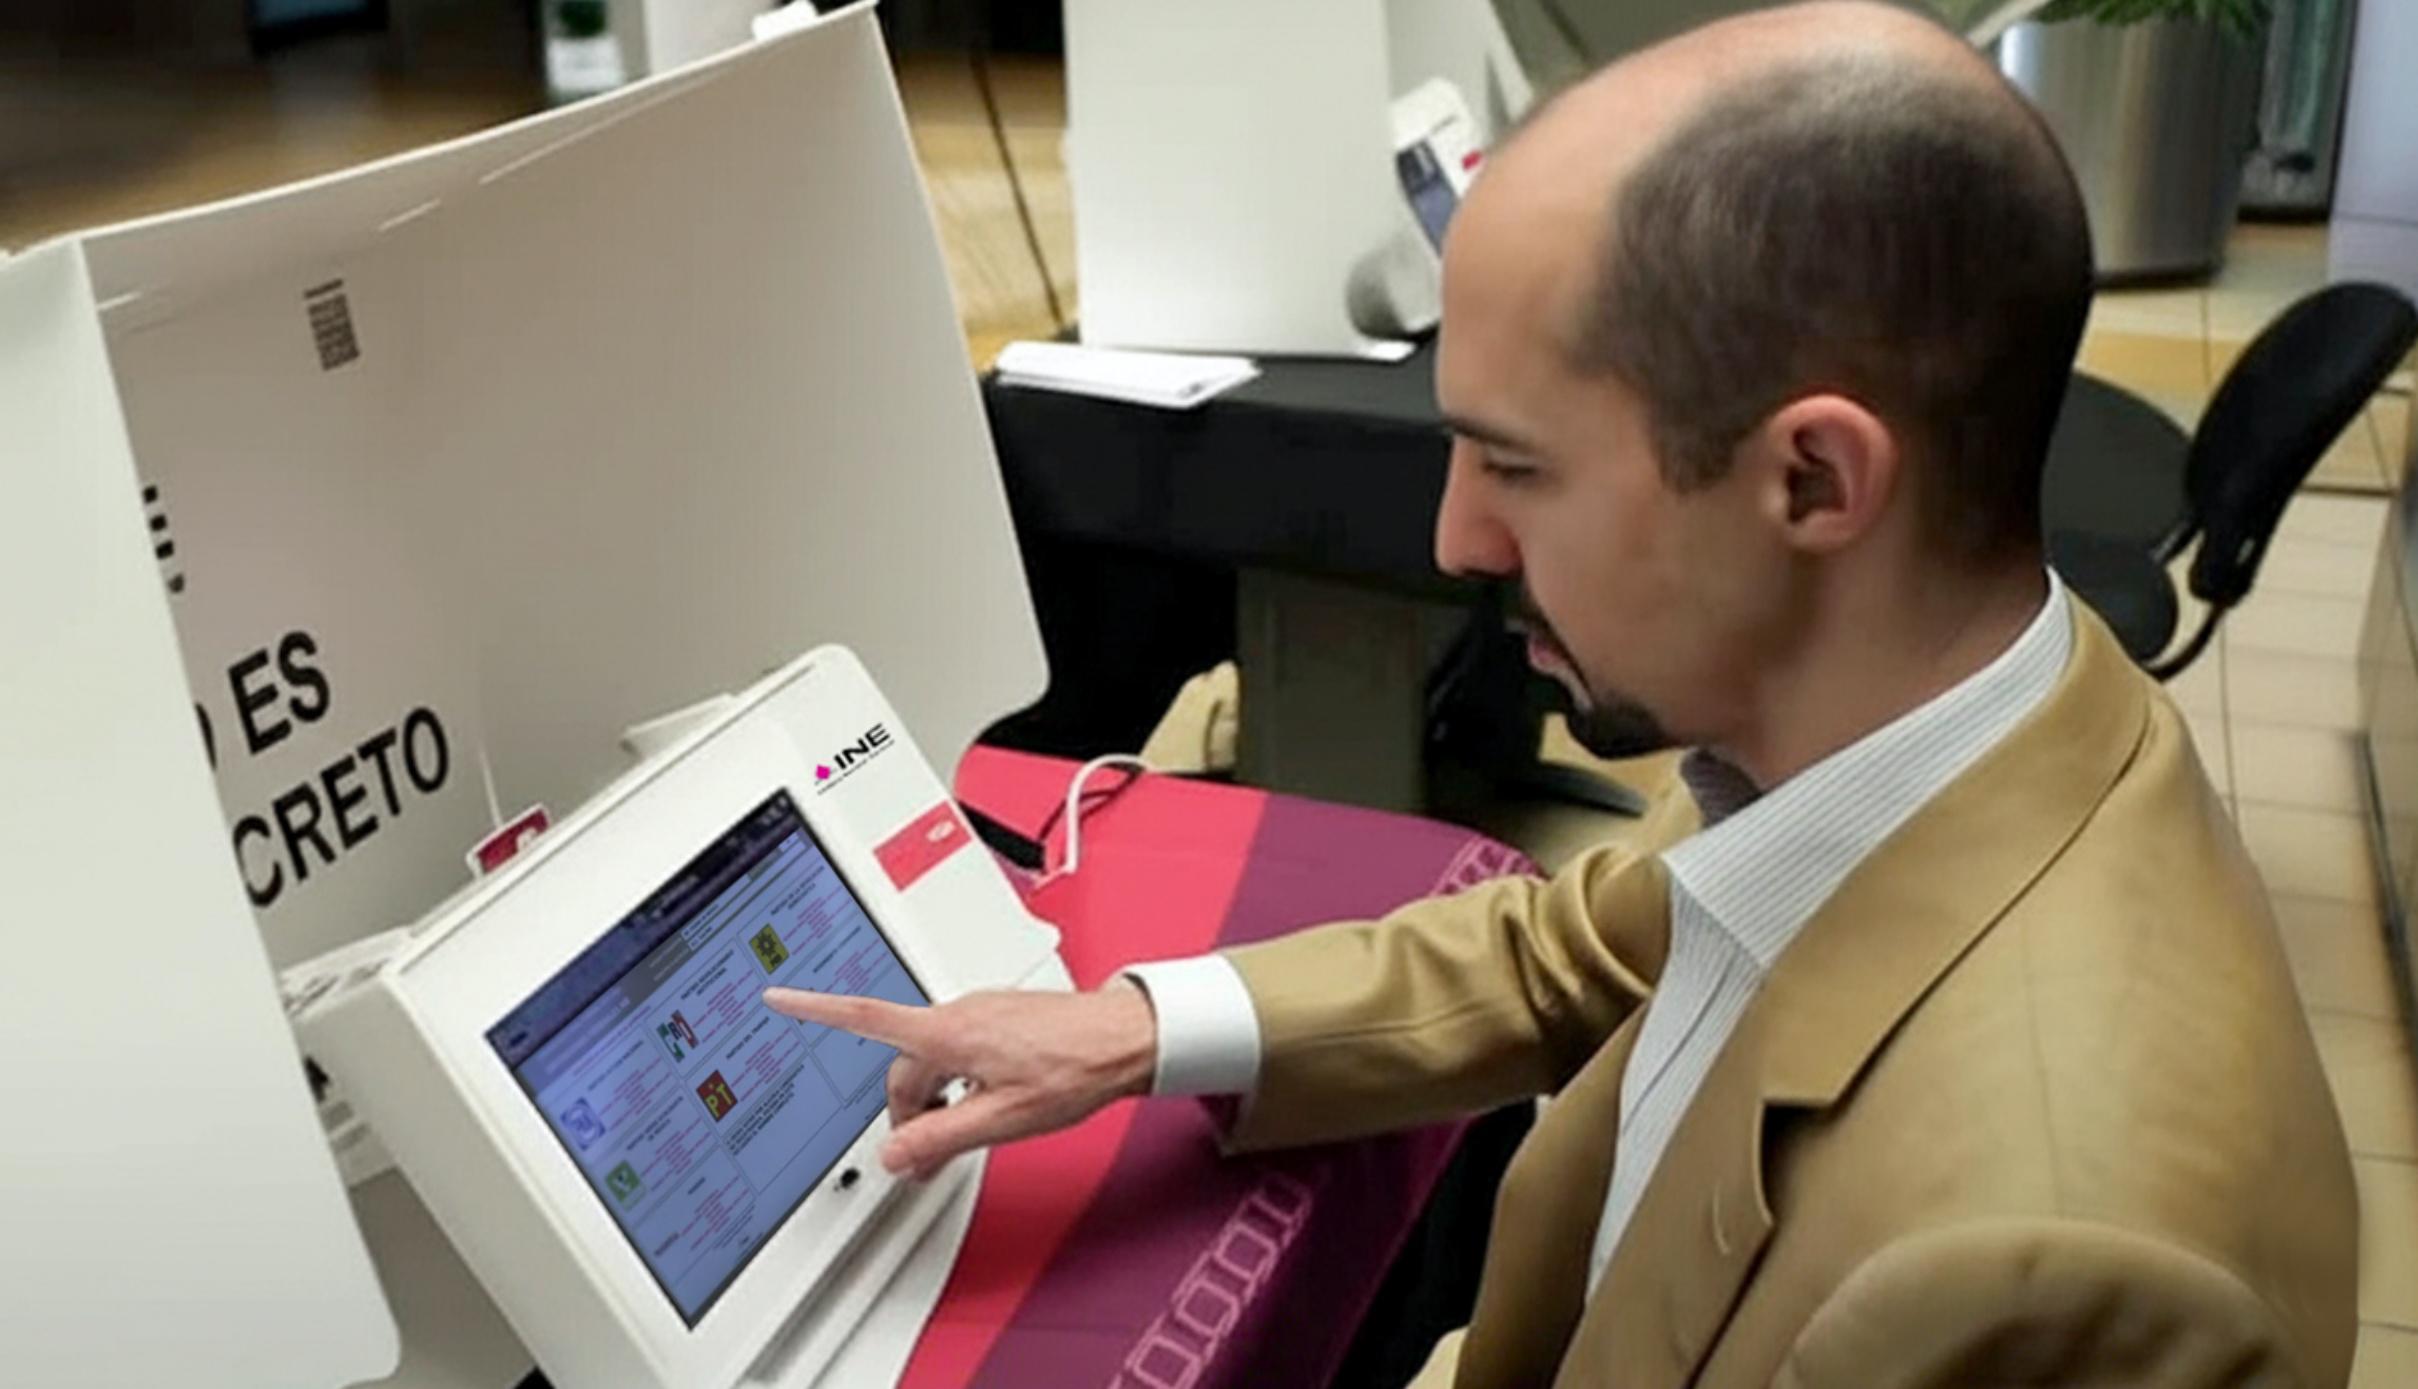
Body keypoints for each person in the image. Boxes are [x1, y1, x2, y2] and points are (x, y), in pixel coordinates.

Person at [770, 4, 2360, 1385]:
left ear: (1812, 479)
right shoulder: (1921, 720)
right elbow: (1586, 942)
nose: (1456, 539)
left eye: (1516, 465)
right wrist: (1131, 1027)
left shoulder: (2050, 1266)